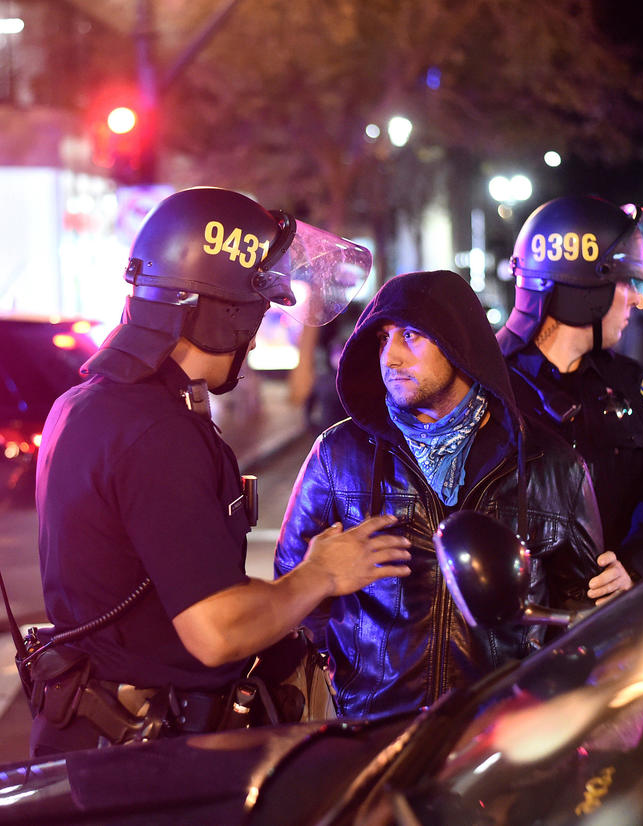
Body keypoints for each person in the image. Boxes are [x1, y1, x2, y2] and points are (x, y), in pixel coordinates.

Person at [32, 186, 412, 756]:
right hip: (146, 768)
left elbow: (169, 587)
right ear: (223, 311)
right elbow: (215, 631)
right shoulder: (157, 432)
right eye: (257, 307)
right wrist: (319, 576)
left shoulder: (89, 403)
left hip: (97, 738)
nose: (258, 330)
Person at [275, 270, 623, 720]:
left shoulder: (550, 465)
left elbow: (582, 609)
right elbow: (294, 585)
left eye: (413, 336)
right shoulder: (338, 455)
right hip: (373, 733)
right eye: (383, 338)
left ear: (459, 344)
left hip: (497, 740)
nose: (392, 357)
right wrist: (358, 672)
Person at [497, 195, 643, 582]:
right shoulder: (490, 385)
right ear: (585, 289)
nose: (636, 299)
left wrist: (633, 568)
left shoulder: (631, 384)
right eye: (623, 283)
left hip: (613, 623)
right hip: (516, 629)